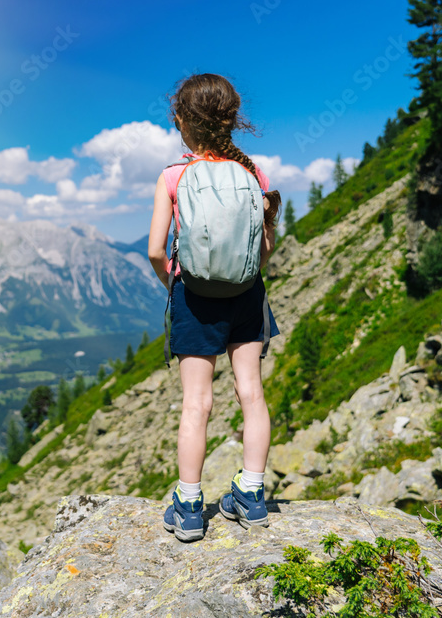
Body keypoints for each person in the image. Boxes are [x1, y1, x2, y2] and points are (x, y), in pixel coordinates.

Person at [147, 73, 282, 542]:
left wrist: (176, 284)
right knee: (252, 394)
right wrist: (245, 274)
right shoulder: (253, 174)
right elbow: (264, 246)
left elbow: (155, 251)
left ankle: (187, 506)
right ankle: (252, 492)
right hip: (247, 294)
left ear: (182, 121)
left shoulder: (174, 175)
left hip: (194, 298)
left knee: (196, 404)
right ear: (232, 119)